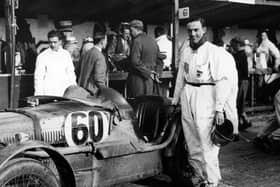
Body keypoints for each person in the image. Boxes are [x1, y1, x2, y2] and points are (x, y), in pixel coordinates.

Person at [172, 17, 238, 187]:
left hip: (206, 96)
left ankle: (212, 181)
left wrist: (219, 109)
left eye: (196, 30)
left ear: (204, 30)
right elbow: (181, 77)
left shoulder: (214, 52)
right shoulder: (186, 51)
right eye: (190, 31)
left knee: (206, 141)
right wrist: (176, 99)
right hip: (188, 95)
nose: (193, 34)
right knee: (191, 140)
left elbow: (223, 82)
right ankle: (199, 177)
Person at [34, 30, 77, 96]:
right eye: (50, 42)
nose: (52, 44)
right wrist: (38, 95)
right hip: (49, 93)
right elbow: (38, 77)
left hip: (64, 92)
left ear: (60, 42)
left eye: (55, 42)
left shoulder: (66, 54)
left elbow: (70, 73)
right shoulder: (42, 56)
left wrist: (74, 89)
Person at [127, 19, 163, 98]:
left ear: (134, 29)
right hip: (150, 82)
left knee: (137, 106)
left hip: (137, 82)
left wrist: (148, 72)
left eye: (130, 30)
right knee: (148, 105)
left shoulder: (137, 41)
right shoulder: (153, 41)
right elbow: (160, 60)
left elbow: (134, 61)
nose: (130, 33)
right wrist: (157, 74)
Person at [230, 37, 252, 131]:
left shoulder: (240, 55)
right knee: (239, 104)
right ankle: (243, 122)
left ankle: (242, 122)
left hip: (242, 81)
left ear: (237, 44)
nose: (232, 46)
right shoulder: (241, 54)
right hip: (243, 81)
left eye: (233, 44)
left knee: (238, 103)